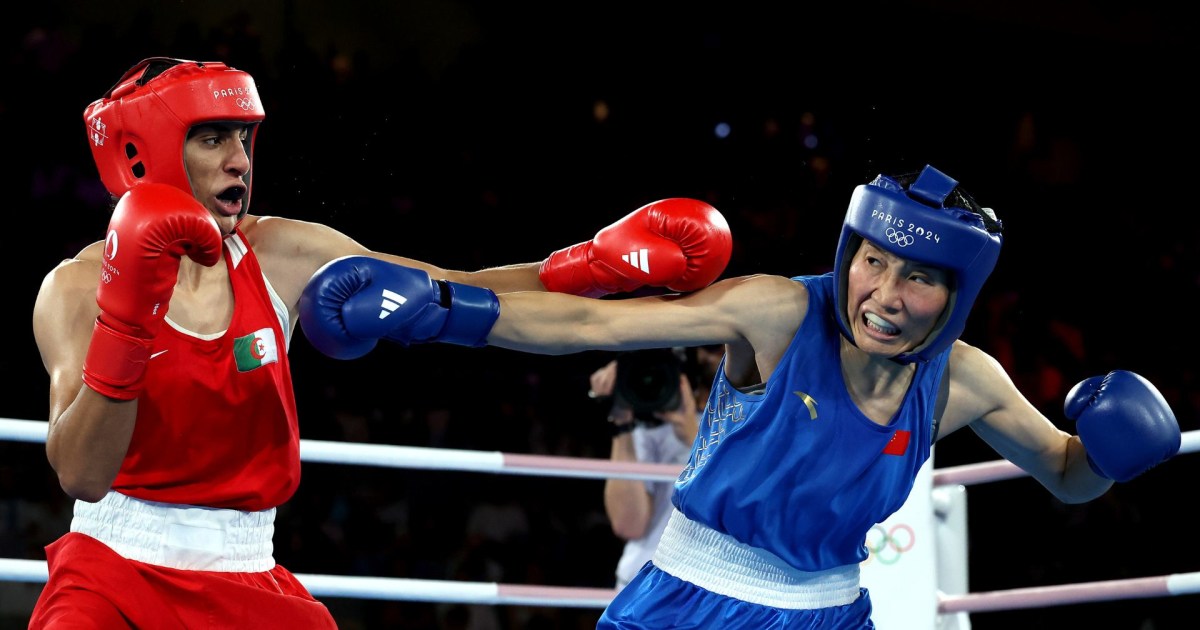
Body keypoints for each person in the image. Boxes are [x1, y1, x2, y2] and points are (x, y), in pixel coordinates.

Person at [298, 163, 1182, 628]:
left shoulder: (964, 381)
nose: (882, 292)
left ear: (958, 296)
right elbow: (592, 330)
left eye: (918, 277)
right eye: (874, 259)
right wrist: (447, 309)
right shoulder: (778, 312)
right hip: (689, 600)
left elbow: (1070, 477)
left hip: (835, 614)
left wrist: (1111, 450)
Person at [28, 56, 733, 628]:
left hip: (244, 574)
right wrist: (129, 315)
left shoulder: (280, 253)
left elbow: (450, 284)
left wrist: (595, 268)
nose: (239, 158)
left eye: (245, 137)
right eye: (212, 138)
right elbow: (81, 473)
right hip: (112, 570)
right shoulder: (76, 289)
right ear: (142, 152)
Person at [588, 348, 701, 591]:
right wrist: (621, 424)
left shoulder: (746, 422)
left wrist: (694, 437)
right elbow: (628, 524)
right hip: (644, 581)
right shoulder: (648, 429)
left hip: (712, 587)